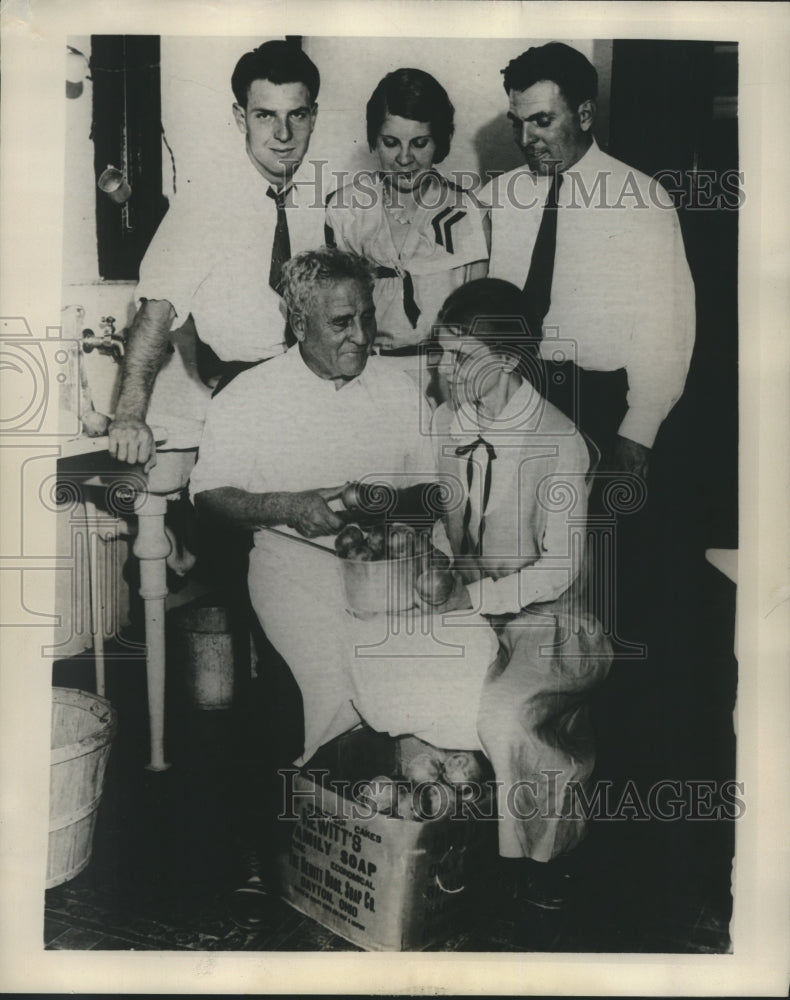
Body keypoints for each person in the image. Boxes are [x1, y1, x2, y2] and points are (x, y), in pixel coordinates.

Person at [188, 248, 438, 916]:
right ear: (299, 324)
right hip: (290, 564)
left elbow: (434, 493)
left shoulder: (398, 389)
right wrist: (288, 506)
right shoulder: (250, 395)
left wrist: (385, 507)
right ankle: (287, 846)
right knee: (325, 671)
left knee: (427, 666)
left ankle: (388, 845)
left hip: (386, 567)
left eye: (366, 318)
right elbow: (208, 496)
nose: (360, 336)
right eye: (340, 323)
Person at [427, 278, 613, 911]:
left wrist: (472, 600)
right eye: (442, 351)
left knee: (504, 714)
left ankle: (545, 858)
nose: (444, 368)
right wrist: (437, 565)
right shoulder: (447, 421)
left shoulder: (560, 443)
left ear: (507, 360)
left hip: (551, 619)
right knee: (408, 681)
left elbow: (558, 569)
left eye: (460, 356)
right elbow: (451, 520)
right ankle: (448, 833)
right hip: (476, 605)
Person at [107, 39, 327, 470]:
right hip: (245, 397)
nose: (283, 135)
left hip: (320, 396)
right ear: (240, 117)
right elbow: (157, 310)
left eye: (296, 115)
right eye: (265, 115)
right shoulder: (205, 202)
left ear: (313, 116)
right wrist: (129, 416)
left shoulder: (329, 196)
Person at [480, 42, 695, 478]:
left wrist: (639, 429)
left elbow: (665, 328)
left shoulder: (642, 201)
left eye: (543, 121)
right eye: (518, 123)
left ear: (584, 115)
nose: (525, 140)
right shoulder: (494, 198)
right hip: (507, 393)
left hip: (596, 405)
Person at [325, 68, 489, 394]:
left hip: (443, 377)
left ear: (439, 142)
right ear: (374, 140)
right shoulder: (345, 210)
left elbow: (475, 324)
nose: (404, 158)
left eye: (419, 143)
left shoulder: (469, 214)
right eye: (390, 143)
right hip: (365, 376)